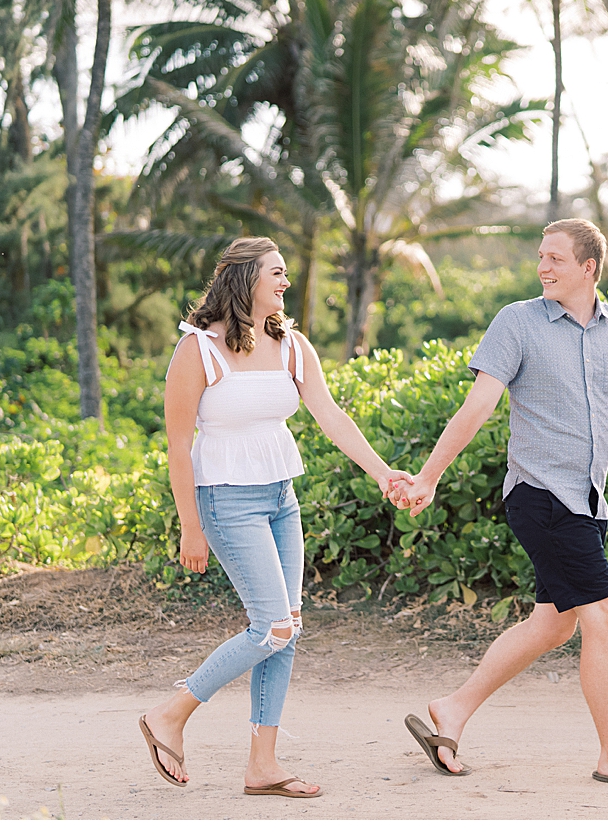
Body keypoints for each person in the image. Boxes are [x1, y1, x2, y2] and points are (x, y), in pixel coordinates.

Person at [390, 218, 608, 789]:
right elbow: (476, 407)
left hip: (588, 503)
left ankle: (451, 710)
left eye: (555, 258)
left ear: (588, 268)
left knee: (553, 625)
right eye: (540, 256)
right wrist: (430, 475)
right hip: (540, 495)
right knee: (605, 616)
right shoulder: (517, 322)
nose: (542, 267)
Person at [138, 237, 408, 799]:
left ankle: (262, 765)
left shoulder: (292, 345)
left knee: (287, 630)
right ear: (245, 280)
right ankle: (171, 713)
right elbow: (178, 446)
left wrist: (385, 475)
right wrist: (191, 524)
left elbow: (330, 415)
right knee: (272, 627)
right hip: (226, 501)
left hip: (280, 499)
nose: (286, 283)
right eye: (276, 273)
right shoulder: (197, 351)